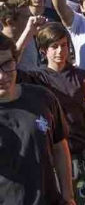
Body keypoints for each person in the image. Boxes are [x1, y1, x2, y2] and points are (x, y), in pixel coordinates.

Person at [16, 22, 85, 204]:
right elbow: (9, 65)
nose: (59, 51)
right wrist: (28, 32)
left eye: (63, 45)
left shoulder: (83, 76)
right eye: (54, 46)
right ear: (43, 50)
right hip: (58, 155)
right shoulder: (35, 79)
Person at [0, 34, 74, 204]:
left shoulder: (42, 97)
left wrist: (68, 195)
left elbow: (59, 147)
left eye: (7, 64)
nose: (2, 76)